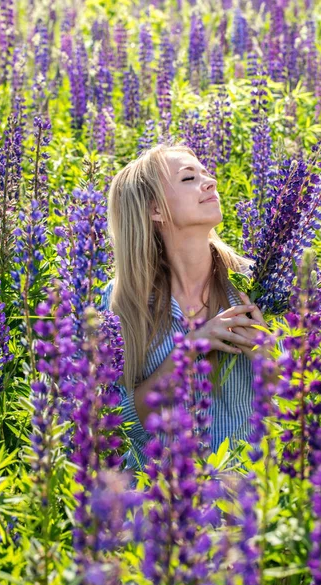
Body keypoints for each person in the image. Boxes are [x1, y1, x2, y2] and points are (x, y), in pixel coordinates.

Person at [99, 141, 269, 477]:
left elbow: (302, 393)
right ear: (155, 210)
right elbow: (124, 424)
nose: (210, 182)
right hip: (161, 500)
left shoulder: (256, 283)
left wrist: (266, 354)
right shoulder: (123, 302)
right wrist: (189, 351)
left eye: (206, 173)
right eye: (189, 178)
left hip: (249, 496)